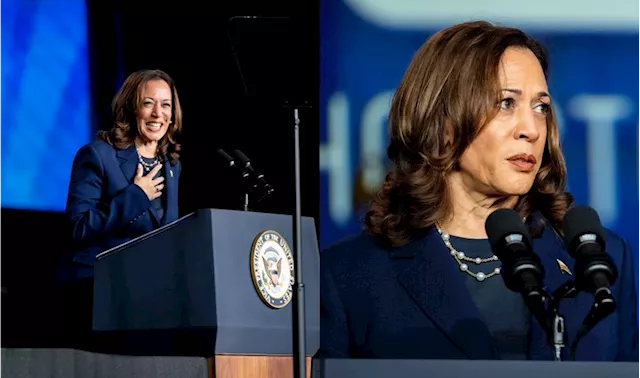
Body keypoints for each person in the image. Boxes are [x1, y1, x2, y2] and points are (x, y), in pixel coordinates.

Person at [317, 21, 639, 361]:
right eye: (506, 103)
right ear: (442, 122)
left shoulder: (599, 265)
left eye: (541, 107)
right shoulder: (351, 274)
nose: (531, 129)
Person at [57, 69, 183, 350]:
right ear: (130, 107)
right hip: (96, 291)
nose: (157, 114)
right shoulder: (98, 155)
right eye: (147, 103)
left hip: (150, 296)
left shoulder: (171, 165)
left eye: (165, 105)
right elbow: (78, 227)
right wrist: (136, 195)